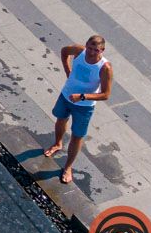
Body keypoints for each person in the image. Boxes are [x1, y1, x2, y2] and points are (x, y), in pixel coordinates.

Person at [43, 36, 113, 184]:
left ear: (102, 50)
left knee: (77, 135)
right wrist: (67, 70)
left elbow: (106, 94)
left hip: (84, 106)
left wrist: (82, 97)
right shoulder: (78, 51)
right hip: (66, 95)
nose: (92, 52)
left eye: (96, 50)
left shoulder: (104, 67)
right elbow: (64, 52)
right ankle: (58, 143)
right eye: (90, 48)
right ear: (86, 45)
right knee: (60, 119)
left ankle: (68, 167)